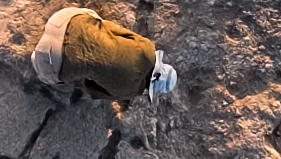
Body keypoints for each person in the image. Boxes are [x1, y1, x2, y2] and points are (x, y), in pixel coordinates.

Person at [30, 6, 175, 106]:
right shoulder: (129, 90)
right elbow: (90, 87)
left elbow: (111, 27)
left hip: (63, 19)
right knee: (61, 82)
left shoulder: (147, 47)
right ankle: (37, 59)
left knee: (96, 20)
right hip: (49, 57)